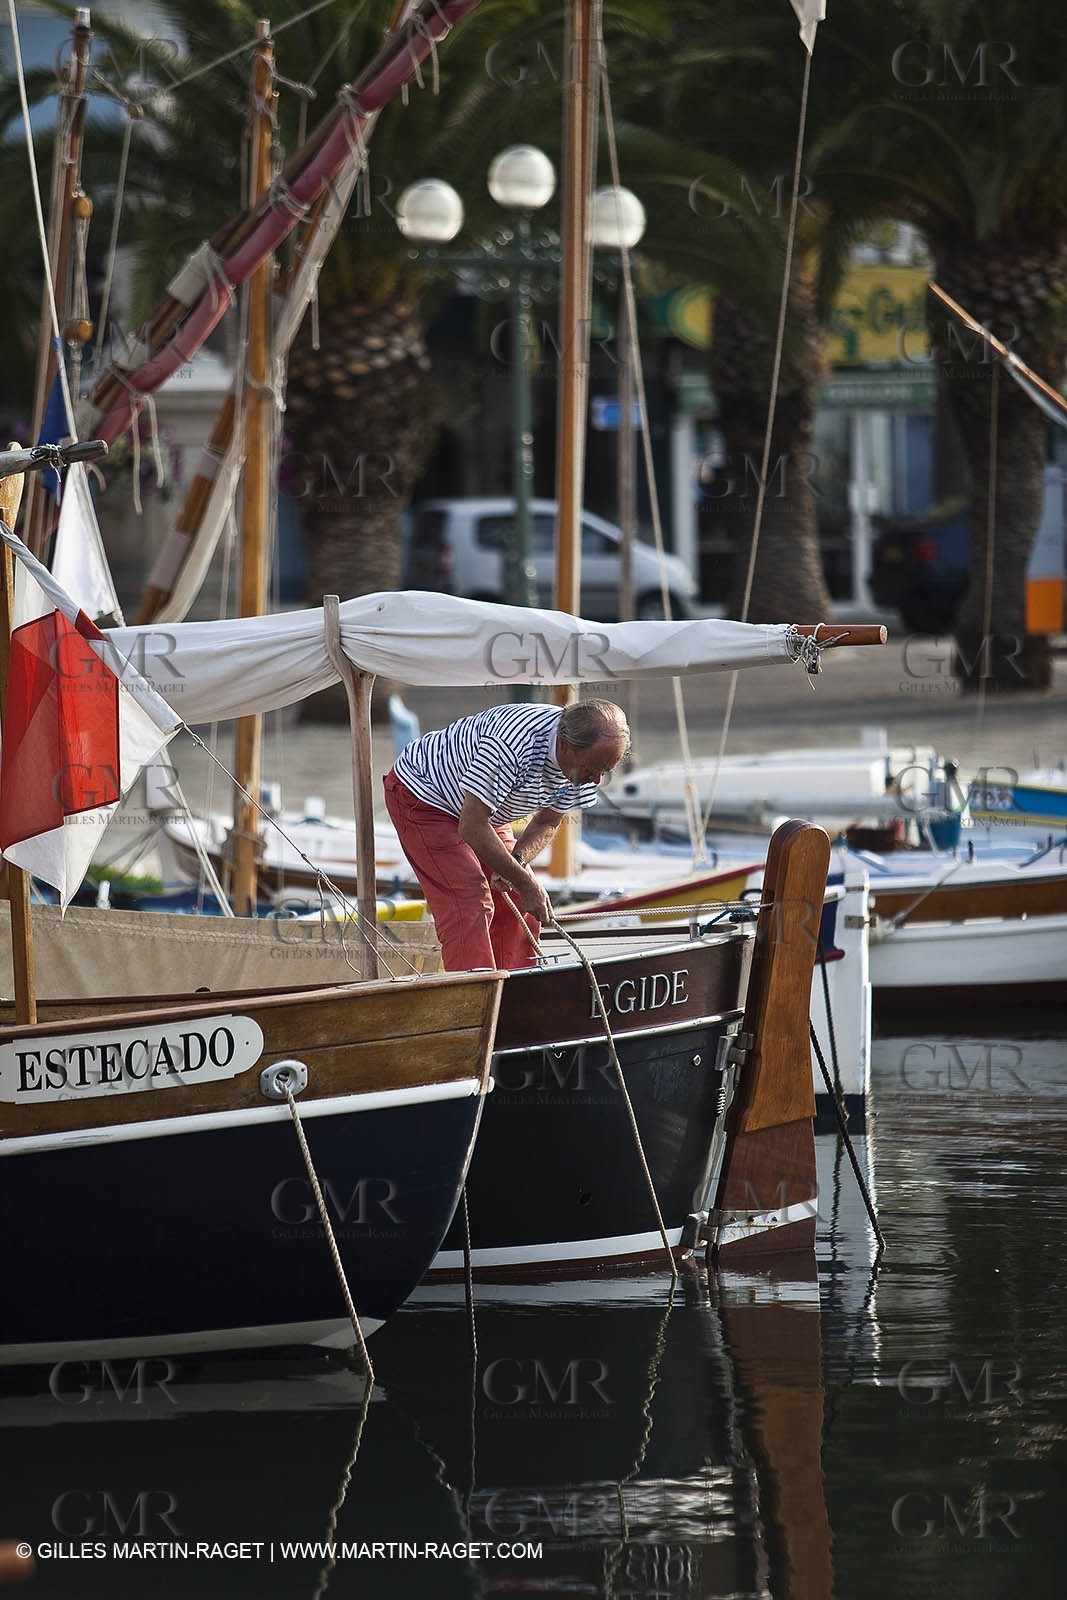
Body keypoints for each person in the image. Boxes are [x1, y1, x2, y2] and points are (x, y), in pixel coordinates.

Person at [384, 698, 630, 972]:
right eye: (592, 769)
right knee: (469, 904)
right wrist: (525, 883)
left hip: (487, 810)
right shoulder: (512, 746)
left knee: (516, 898)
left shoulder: (587, 766)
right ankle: (476, 1003)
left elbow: (548, 820)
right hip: (425, 796)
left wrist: (519, 863)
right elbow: (472, 825)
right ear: (563, 744)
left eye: (605, 772)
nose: (596, 780)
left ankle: (513, 993)